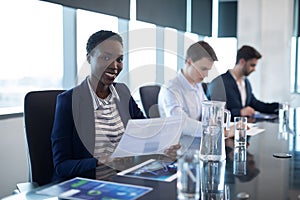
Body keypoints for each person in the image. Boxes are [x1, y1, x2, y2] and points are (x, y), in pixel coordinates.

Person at [51, 30, 180, 182]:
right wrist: (101, 161)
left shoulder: (123, 92)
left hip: (126, 178)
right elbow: (61, 166)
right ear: (89, 58)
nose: (114, 66)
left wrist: (164, 150)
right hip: (92, 184)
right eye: (105, 57)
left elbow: (146, 135)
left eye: (119, 59)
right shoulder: (69, 101)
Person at [158, 41, 218, 137]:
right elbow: (180, 123)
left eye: (208, 70)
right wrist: (210, 129)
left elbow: (207, 111)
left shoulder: (197, 85)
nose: (206, 75)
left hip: (195, 140)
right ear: (189, 62)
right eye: (203, 69)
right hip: (176, 145)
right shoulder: (171, 89)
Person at [207, 45, 279, 119]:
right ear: (242, 62)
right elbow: (214, 112)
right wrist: (240, 112)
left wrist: (278, 107)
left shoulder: (246, 82)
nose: (254, 69)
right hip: (227, 128)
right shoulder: (219, 83)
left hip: (243, 127)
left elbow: (255, 103)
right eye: (252, 65)